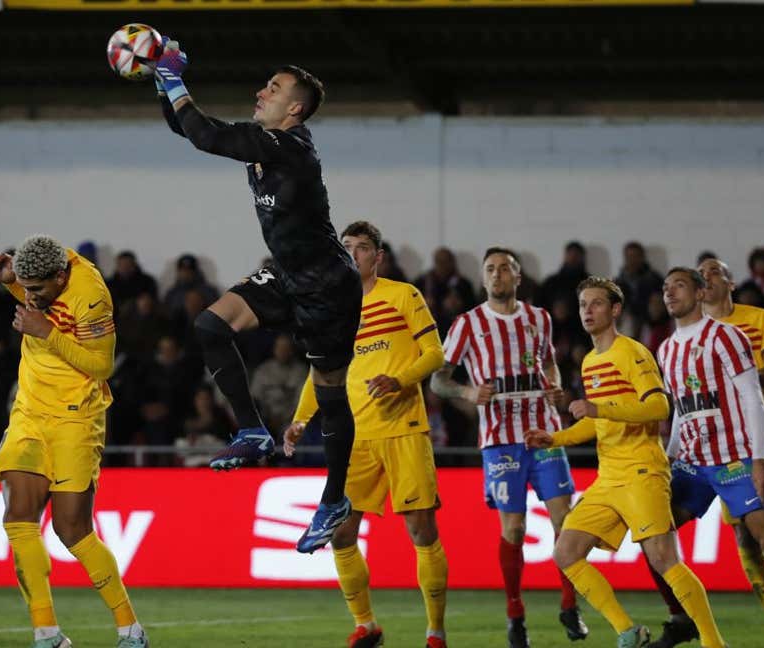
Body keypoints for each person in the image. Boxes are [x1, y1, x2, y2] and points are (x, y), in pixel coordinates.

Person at [154, 38, 363, 553]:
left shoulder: (289, 147)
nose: (260, 92)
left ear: (294, 107)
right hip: (287, 275)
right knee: (210, 325)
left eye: (272, 88)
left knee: (331, 393)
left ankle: (334, 497)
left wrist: (173, 76)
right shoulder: (267, 141)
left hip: (327, 287)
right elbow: (189, 128)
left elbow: (203, 134)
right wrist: (162, 79)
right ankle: (252, 431)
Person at [525, 277, 722, 648]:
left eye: (596, 303)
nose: (587, 310)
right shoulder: (590, 361)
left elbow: (659, 405)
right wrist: (557, 437)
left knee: (664, 559)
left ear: (615, 310)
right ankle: (629, 630)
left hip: (642, 471)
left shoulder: (631, 352)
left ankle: (715, 643)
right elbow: (599, 423)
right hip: (609, 477)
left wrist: (600, 407)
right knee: (566, 552)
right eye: (583, 303)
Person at [284, 221, 448, 648]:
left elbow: (435, 354)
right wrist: (302, 418)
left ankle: (435, 632)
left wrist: (400, 380)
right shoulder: (332, 310)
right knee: (341, 532)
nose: (353, 254)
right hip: (353, 438)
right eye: (347, 247)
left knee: (421, 531)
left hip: (403, 430)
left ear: (378, 257)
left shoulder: (403, 296)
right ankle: (366, 625)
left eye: (361, 248)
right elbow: (320, 371)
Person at [646, 258, 764, 648]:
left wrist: (758, 459)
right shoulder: (667, 350)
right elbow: (681, 411)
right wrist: (669, 458)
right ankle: (680, 618)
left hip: (734, 457)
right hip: (692, 461)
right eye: (665, 288)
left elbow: (754, 399)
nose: (669, 292)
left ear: (701, 292)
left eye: (679, 285)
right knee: (652, 528)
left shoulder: (728, 335)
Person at [0, 236, 147, 648]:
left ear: (60, 278)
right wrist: (10, 281)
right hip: (29, 411)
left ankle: (130, 629)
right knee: (18, 518)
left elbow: (101, 364)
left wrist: (46, 331)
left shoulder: (91, 296)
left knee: (71, 529)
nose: (29, 297)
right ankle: (47, 633)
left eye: (36, 290)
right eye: (25, 288)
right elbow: (30, 290)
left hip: (76, 415)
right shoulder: (41, 271)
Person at [431, 247, 583, 648]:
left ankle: (570, 604)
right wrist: (467, 390)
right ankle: (515, 612)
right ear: (483, 279)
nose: (497, 275)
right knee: (514, 528)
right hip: (500, 441)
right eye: (491, 269)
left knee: (564, 522)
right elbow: (438, 380)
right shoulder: (468, 323)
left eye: (505, 268)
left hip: (545, 432)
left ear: (518, 277)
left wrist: (554, 386)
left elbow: (549, 364)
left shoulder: (539, 319)